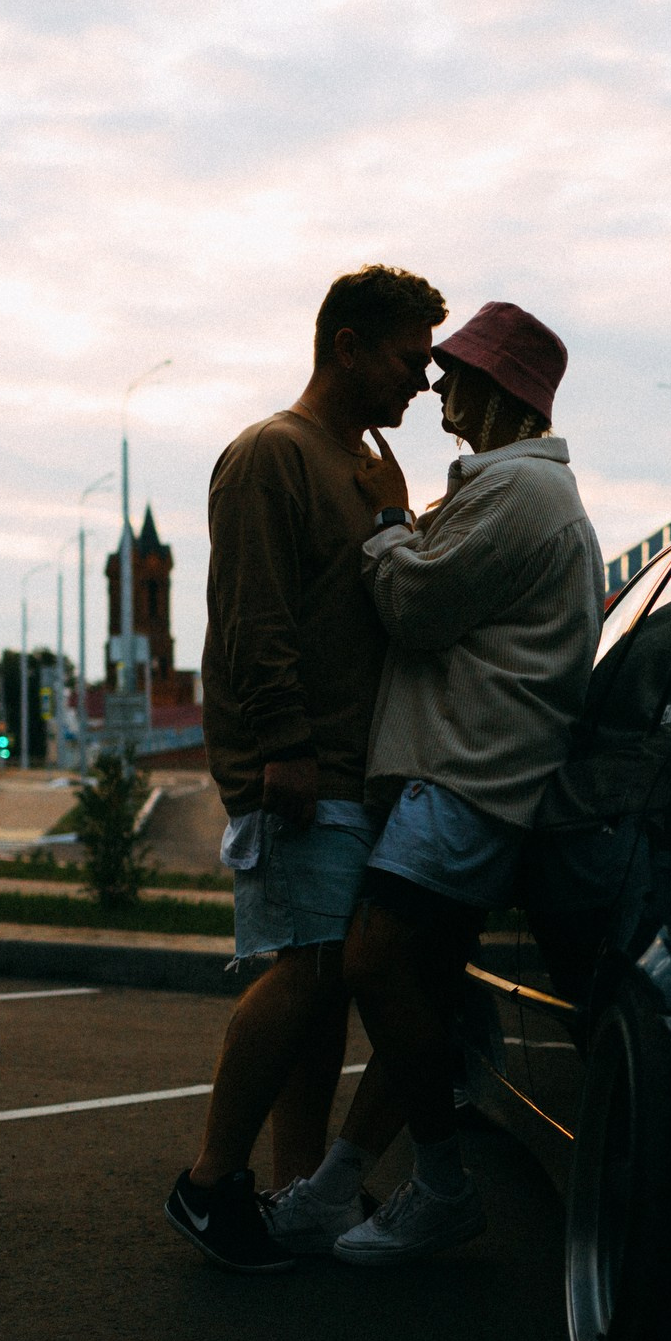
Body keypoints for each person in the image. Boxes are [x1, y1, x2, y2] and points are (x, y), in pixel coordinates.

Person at [262, 301, 602, 1265]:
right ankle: (340, 1187)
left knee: (373, 960)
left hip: (466, 774)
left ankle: (443, 1185)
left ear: (497, 392)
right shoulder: (513, 493)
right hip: (473, 773)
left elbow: (413, 605)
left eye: (454, 372)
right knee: (422, 981)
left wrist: (382, 522)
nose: (437, 385)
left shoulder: (521, 494)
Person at [163, 264, 447, 1273]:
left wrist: (396, 516)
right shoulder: (270, 455)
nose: (421, 383)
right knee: (310, 967)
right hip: (299, 766)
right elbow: (254, 616)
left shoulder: (361, 470)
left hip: (349, 768)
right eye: (409, 360)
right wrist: (281, 746)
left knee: (324, 982)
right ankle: (208, 1184)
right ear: (346, 345)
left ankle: (293, 1193)